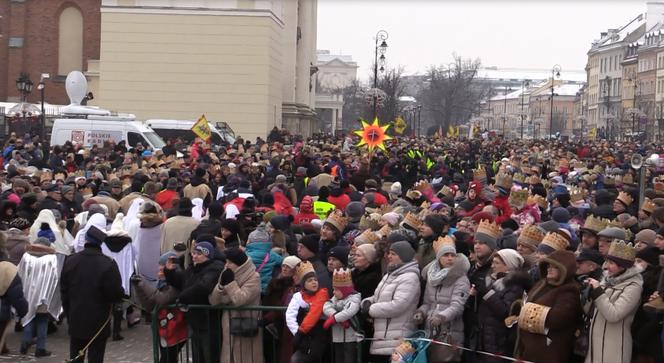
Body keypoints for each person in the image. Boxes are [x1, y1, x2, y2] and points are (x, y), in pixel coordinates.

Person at [60, 225, 125, 363]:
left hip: (76, 316)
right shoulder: (107, 263)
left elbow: (64, 291)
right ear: (100, 243)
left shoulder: (71, 260)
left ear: (86, 241)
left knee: (76, 356)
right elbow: (115, 294)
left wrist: (68, 312)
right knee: (96, 357)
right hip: (99, 320)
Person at [516, 250, 582, 363]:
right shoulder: (541, 284)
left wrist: (525, 313)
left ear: (564, 269)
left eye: (554, 267)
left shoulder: (570, 290)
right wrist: (518, 308)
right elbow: (526, 303)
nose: (549, 269)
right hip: (528, 348)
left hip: (549, 352)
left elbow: (557, 318)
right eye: (548, 266)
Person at [584, 240, 643, 363]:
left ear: (623, 266)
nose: (606, 266)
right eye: (607, 261)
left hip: (613, 349)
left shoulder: (633, 286)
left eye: (611, 263)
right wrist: (586, 293)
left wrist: (598, 292)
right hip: (594, 346)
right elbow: (589, 311)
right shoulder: (607, 279)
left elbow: (613, 315)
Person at [164, 241, 223, 363]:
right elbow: (180, 282)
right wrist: (169, 272)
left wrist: (183, 297)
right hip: (194, 319)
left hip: (208, 319)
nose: (194, 256)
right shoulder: (192, 268)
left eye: (199, 254)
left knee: (209, 355)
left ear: (208, 255)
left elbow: (204, 286)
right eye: (194, 253)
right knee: (197, 355)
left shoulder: (215, 268)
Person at [361, 241, 420, 362]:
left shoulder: (410, 277)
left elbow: (398, 305)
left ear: (403, 256)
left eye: (393, 254)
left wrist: (370, 310)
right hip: (382, 337)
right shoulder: (390, 274)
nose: (389, 256)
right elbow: (379, 297)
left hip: (397, 340)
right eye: (389, 253)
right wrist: (366, 302)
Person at [414, 236, 470, 363]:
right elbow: (428, 303)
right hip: (429, 330)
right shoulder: (432, 276)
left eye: (452, 255)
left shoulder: (461, 278)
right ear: (439, 257)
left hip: (449, 332)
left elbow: (458, 306)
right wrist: (420, 312)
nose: (450, 258)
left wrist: (441, 317)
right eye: (446, 255)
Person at [209, 248, 263, 363]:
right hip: (228, 323)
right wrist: (220, 287)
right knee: (229, 356)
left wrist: (230, 284)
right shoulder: (226, 273)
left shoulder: (254, 277)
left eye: (230, 262)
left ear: (239, 264)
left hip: (246, 324)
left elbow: (240, 299)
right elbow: (214, 301)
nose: (226, 265)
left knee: (245, 357)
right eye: (226, 262)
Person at [131, 252, 185, 363]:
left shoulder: (175, 284)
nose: (158, 273)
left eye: (161, 270)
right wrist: (138, 287)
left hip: (175, 327)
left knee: (167, 359)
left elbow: (161, 299)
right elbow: (149, 305)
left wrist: (143, 283)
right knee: (169, 359)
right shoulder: (160, 283)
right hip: (163, 327)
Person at [17, 236, 61, 357]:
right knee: (42, 320)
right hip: (44, 296)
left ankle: (25, 341)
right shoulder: (52, 258)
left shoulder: (26, 256)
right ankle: (40, 348)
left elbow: (19, 273)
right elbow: (55, 277)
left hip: (28, 294)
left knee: (28, 317)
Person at [286, 261, 330, 363]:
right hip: (305, 335)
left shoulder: (322, 293)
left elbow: (313, 314)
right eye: (310, 280)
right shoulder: (298, 296)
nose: (314, 282)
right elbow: (290, 316)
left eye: (315, 280)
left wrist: (300, 333)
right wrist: (297, 333)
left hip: (318, 335)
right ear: (303, 284)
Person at [323, 268, 361, 363]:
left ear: (344, 290)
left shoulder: (354, 298)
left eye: (336, 289)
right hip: (337, 336)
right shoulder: (335, 298)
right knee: (338, 359)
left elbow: (349, 311)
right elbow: (326, 306)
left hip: (350, 337)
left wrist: (334, 319)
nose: (333, 292)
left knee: (349, 359)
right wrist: (336, 315)